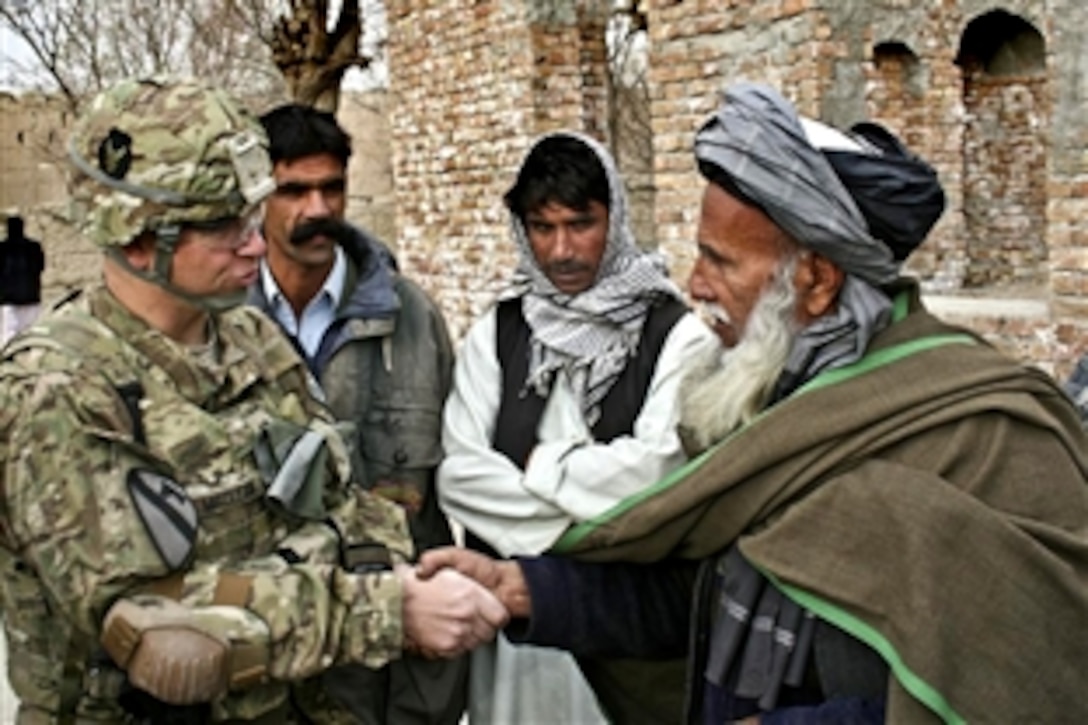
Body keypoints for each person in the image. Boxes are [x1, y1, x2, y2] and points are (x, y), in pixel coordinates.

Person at [421, 82, 1088, 724]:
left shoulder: (987, 433)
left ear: (817, 281)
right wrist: (524, 588)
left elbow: (1040, 676)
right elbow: (703, 596)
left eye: (721, 260)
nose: (694, 283)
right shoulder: (772, 404)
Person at [0, 76, 505, 723]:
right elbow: (155, 624)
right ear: (136, 240)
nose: (256, 243)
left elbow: (338, 504)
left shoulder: (248, 335)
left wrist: (423, 574)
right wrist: (386, 610)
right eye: (223, 226)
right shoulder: (54, 389)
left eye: (250, 216)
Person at [437, 131, 717, 723]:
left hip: (626, 624)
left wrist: (540, 466)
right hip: (516, 629)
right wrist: (593, 525)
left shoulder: (677, 336)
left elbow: (658, 475)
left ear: (613, 218)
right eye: (543, 228)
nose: (562, 249)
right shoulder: (500, 331)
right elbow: (461, 475)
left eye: (580, 224)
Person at [246, 103, 467, 724]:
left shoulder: (411, 319)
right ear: (257, 196)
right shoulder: (218, 328)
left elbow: (446, 510)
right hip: (265, 672)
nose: (317, 209)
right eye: (293, 190)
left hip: (387, 672)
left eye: (331, 188)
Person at [0, 214, 46, 346]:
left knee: (9, 334)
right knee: (31, 333)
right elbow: (41, 266)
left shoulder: (2, 249)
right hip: (31, 296)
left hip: (10, 299)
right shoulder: (34, 247)